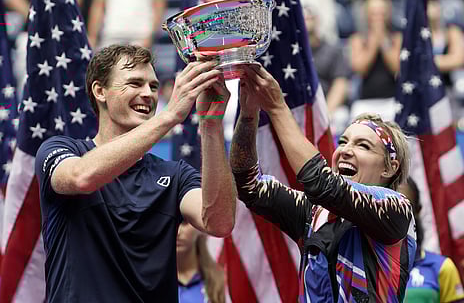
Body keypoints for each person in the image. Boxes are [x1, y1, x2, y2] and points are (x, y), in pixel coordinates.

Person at [35, 44, 236, 302]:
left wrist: (211, 124)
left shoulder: (175, 175)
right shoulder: (61, 150)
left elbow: (219, 222)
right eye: (135, 83)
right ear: (100, 91)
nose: (148, 94)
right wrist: (170, 115)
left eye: (153, 86)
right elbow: (80, 177)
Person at [230, 64, 417, 302]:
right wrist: (248, 117)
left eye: (363, 145)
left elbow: (321, 182)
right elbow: (249, 186)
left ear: (390, 167)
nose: (345, 151)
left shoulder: (397, 208)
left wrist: (277, 107)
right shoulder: (313, 212)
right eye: (343, 141)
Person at [399, 178, 464, 303]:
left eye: (405, 206)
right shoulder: (363, 266)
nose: (397, 213)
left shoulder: (442, 267)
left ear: (418, 210)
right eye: (390, 204)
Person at [86, 0, 167, 49]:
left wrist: (151, 35)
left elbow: (159, 6)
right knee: (110, 68)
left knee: (140, 68)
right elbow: (98, 6)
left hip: (141, 35)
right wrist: (92, 36)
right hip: (111, 34)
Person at [177, 220, 226, 303]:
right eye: (171, 223)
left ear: (199, 226)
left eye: (184, 222)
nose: (177, 232)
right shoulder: (153, 280)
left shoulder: (220, 281)